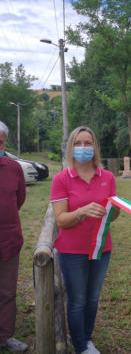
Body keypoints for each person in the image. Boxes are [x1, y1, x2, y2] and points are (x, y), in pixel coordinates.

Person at [50, 126, 120, 354]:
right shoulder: (62, 179)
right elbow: (61, 220)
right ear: (71, 147)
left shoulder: (107, 177)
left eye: (88, 143)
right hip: (73, 251)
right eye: (78, 143)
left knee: (92, 299)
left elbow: (113, 213)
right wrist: (81, 211)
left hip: (102, 248)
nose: (83, 148)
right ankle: (79, 346)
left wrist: (116, 209)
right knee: (78, 300)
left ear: (95, 146)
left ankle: (87, 340)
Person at [0, 121, 28, 352]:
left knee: (7, 291)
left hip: (8, 241)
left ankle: (5, 336)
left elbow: (19, 199)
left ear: (4, 142)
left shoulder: (13, 168)